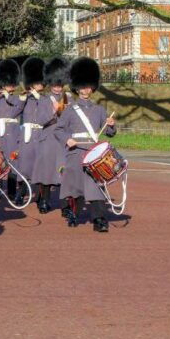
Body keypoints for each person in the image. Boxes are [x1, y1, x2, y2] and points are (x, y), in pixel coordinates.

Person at [55, 57, 116, 232]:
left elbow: (110, 133)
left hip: (93, 153)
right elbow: (59, 130)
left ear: (92, 87)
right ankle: (73, 212)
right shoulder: (69, 110)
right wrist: (68, 139)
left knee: (95, 186)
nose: (85, 89)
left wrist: (111, 125)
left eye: (88, 86)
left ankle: (99, 219)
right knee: (75, 186)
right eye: (82, 86)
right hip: (75, 152)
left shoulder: (99, 109)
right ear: (77, 87)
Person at [32, 57, 70, 215]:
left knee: (63, 173)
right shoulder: (43, 100)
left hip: (63, 141)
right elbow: (39, 121)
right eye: (54, 85)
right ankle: (45, 200)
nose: (57, 88)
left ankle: (65, 206)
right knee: (47, 173)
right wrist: (53, 112)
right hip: (48, 139)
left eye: (59, 85)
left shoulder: (69, 100)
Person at [0, 59, 25, 205]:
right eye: (6, 83)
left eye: (11, 84)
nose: (9, 86)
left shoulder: (18, 97)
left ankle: (11, 191)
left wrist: (8, 97)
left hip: (12, 132)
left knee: (12, 161)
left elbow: (18, 108)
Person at [16, 56, 47, 208]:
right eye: (34, 83)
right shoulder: (24, 98)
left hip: (41, 136)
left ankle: (41, 198)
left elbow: (48, 116)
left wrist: (39, 98)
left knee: (40, 168)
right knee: (25, 166)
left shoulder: (46, 99)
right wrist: (21, 99)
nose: (37, 85)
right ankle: (21, 193)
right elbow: (13, 113)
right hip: (27, 137)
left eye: (39, 83)